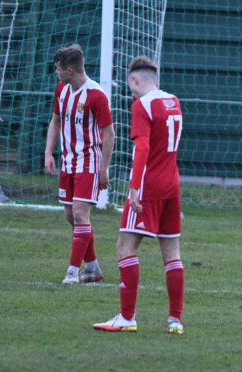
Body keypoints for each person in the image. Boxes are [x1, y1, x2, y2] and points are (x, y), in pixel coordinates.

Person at [93, 56, 185, 334]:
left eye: (129, 84)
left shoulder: (142, 106)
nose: (129, 90)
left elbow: (143, 149)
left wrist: (134, 187)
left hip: (149, 185)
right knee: (171, 252)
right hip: (172, 183)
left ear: (135, 80)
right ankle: (175, 320)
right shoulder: (174, 102)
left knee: (125, 246)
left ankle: (126, 317)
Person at [44, 44, 115, 285]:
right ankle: (93, 268)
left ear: (70, 70)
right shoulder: (62, 90)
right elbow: (55, 122)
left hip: (89, 163)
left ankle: (73, 272)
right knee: (70, 216)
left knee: (80, 213)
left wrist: (103, 169)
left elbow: (109, 134)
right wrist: (48, 153)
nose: (56, 73)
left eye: (58, 69)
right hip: (68, 162)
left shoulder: (96, 95)